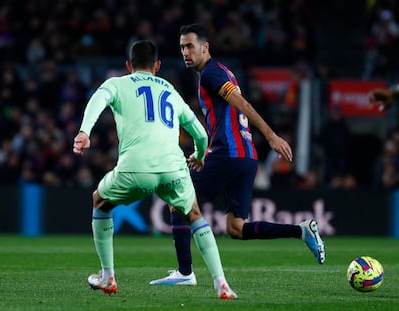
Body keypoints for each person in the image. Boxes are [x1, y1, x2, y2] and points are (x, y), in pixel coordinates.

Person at [149, 24, 325, 286]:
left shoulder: (211, 73)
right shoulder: (221, 71)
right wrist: (204, 153)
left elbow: (242, 104)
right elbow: (225, 119)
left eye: (190, 46)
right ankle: (301, 230)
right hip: (244, 157)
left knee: (179, 201)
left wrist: (271, 135)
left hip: (229, 154)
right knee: (236, 228)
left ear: (205, 47)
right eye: (182, 47)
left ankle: (185, 272)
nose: (186, 52)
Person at [73, 40, 237, 299]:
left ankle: (107, 276)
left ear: (128, 66)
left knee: (100, 201)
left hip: (135, 169)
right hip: (173, 169)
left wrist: (84, 132)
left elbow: (98, 99)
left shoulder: (117, 83)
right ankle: (222, 283)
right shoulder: (170, 90)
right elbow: (200, 132)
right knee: (194, 214)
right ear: (158, 66)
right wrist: (198, 155)